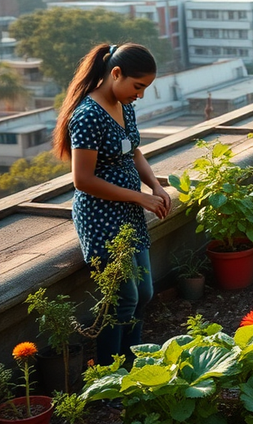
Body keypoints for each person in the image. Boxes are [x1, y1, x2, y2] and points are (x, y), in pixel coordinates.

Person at [53, 43, 172, 364]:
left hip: (129, 212)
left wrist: (156, 186)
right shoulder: (88, 115)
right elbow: (83, 179)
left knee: (144, 293)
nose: (141, 95)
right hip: (101, 217)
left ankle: (132, 362)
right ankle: (110, 371)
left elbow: (134, 152)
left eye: (145, 88)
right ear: (115, 74)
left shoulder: (124, 105)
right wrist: (141, 197)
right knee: (122, 299)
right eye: (138, 86)